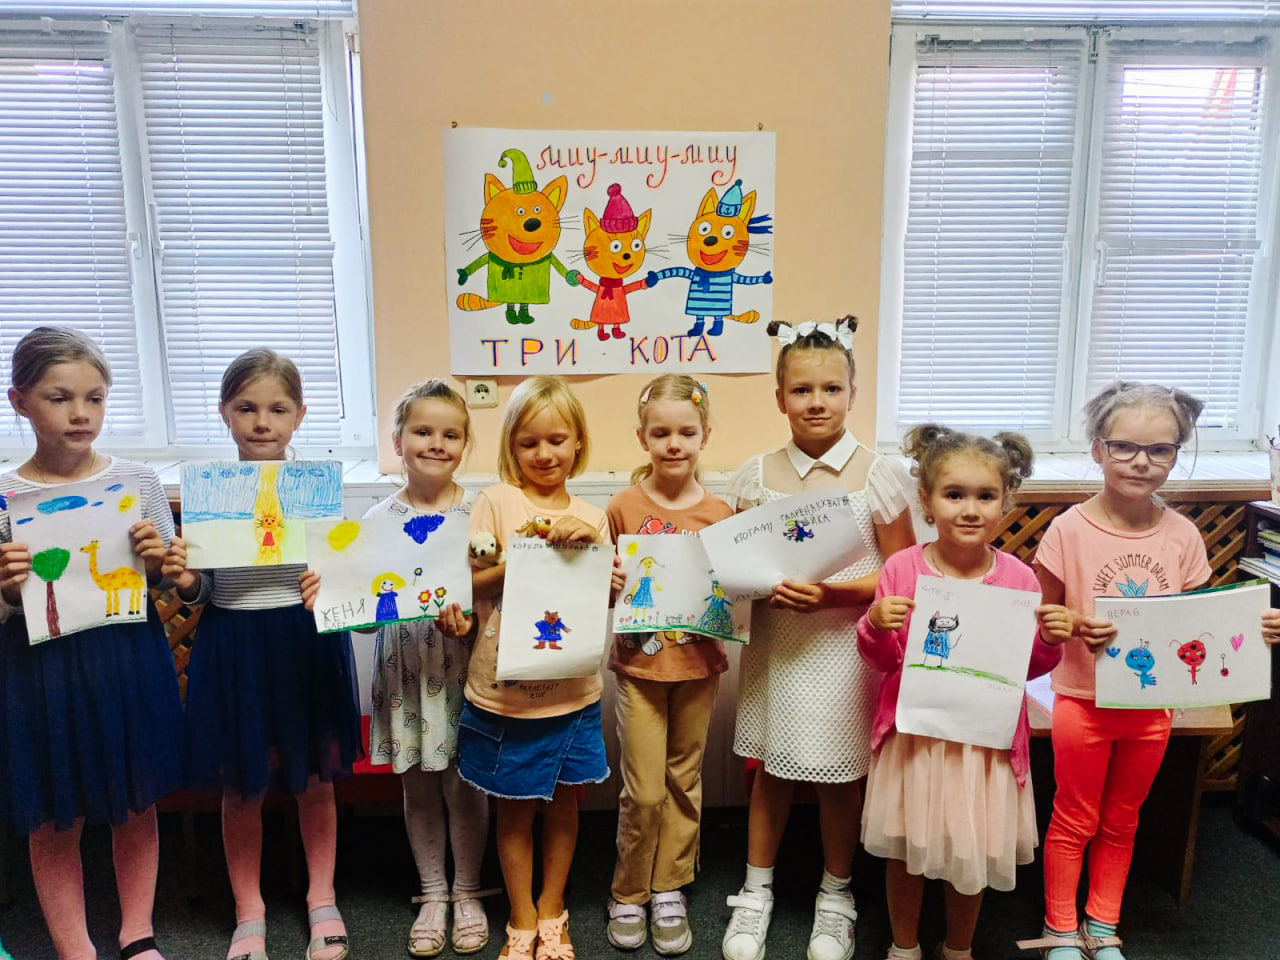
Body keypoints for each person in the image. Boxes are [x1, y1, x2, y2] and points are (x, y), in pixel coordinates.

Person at [1026, 382, 1280, 960]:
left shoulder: (1182, 535)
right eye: (1124, 446)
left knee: (1122, 818)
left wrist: (1255, 630)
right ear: (1098, 448)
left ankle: (1102, 926)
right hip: (1081, 701)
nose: (1141, 461)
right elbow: (1042, 618)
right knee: (1074, 817)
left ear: (1175, 455)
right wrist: (1070, 624)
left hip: (1150, 710)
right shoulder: (1069, 530)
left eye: (1160, 449)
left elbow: (1202, 623)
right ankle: (1059, 929)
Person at [722, 318, 916, 960]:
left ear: (853, 393)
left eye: (831, 389)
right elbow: (734, 566)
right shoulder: (755, 475)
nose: (816, 402)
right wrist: (753, 586)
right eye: (801, 390)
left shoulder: (878, 474)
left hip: (845, 651)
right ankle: (755, 890)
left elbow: (901, 574)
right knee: (770, 772)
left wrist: (832, 594)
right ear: (780, 397)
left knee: (838, 777)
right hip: (778, 648)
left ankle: (837, 896)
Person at [166, 348, 363, 960]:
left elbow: (345, 571)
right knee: (241, 784)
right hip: (235, 642)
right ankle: (248, 908)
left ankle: (322, 897)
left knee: (315, 779)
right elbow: (204, 590)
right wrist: (186, 580)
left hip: (304, 640)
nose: (262, 422)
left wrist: (332, 583)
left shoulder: (316, 488)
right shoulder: (211, 491)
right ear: (225, 413)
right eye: (247, 408)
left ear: (299, 416)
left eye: (278, 409)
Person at [0, 326, 185, 960]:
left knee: (136, 801)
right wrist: (5, 589)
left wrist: (159, 562)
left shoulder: (138, 480)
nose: (81, 413)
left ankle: (137, 933)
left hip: (125, 658)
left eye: (95, 398)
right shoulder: (5, 495)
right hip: (42, 667)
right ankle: (74, 948)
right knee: (54, 812)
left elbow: (168, 576)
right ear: (20, 402)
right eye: (60, 398)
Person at [857, 424, 1071, 960]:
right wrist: (876, 625)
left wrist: (1048, 640)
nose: (970, 510)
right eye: (954, 495)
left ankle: (959, 948)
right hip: (916, 741)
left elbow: (1026, 668)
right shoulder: (902, 569)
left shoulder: (1019, 580)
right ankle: (904, 946)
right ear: (927, 501)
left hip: (984, 749)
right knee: (905, 848)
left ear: (1005, 502)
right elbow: (882, 661)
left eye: (985, 496)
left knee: (972, 851)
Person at [300, 378, 492, 957]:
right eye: (422, 431)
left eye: (450, 434)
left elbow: (496, 601)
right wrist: (328, 599)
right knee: (419, 784)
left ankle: (468, 891)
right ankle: (432, 892)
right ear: (397, 440)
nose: (436, 443)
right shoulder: (376, 519)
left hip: (462, 669)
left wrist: (469, 625)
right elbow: (363, 620)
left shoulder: (481, 514)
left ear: (465, 444)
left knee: (464, 784)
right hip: (404, 669)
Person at [459, 376, 621, 960]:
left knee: (564, 805)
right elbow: (468, 585)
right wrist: (529, 557)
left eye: (557, 440)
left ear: (578, 442)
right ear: (511, 445)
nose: (545, 454)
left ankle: (553, 908)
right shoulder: (495, 502)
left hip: (572, 692)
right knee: (513, 808)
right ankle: (520, 916)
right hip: (504, 691)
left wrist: (603, 566)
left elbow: (604, 598)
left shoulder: (593, 517)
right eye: (529, 442)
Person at [605, 375, 732, 956]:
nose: (674, 443)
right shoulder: (622, 506)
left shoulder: (721, 512)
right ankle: (629, 890)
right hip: (639, 669)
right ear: (643, 438)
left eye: (686, 432)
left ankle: (669, 887)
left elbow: (731, 591)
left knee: (684, 779)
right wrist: (607, 583)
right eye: (660, 433)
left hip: (699, 665)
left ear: (705, 435)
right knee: (643, 789)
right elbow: (601, 586)